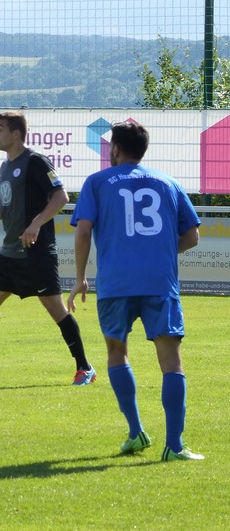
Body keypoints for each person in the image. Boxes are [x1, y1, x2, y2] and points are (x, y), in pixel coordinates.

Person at [68, 120, 204, 461]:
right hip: (159, 282)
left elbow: (83, 232)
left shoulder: (97, 182)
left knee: (117, 352)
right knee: (170, 358)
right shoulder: (167, 182)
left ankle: (136, 432)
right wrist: (156, 252)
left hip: (116, 284)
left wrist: (80, 277)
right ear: (143, 149)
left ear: (114, 149)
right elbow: (192, 236)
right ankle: (174, 446)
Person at [0, 111, 96, 385]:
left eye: (0, 128)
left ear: (16, 133)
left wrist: (36, 224)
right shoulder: (5, 166)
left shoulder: (36, 161)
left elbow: (61, 196)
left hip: (36, 254)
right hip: (8, 254)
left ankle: (85, 368)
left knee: (56, 310)